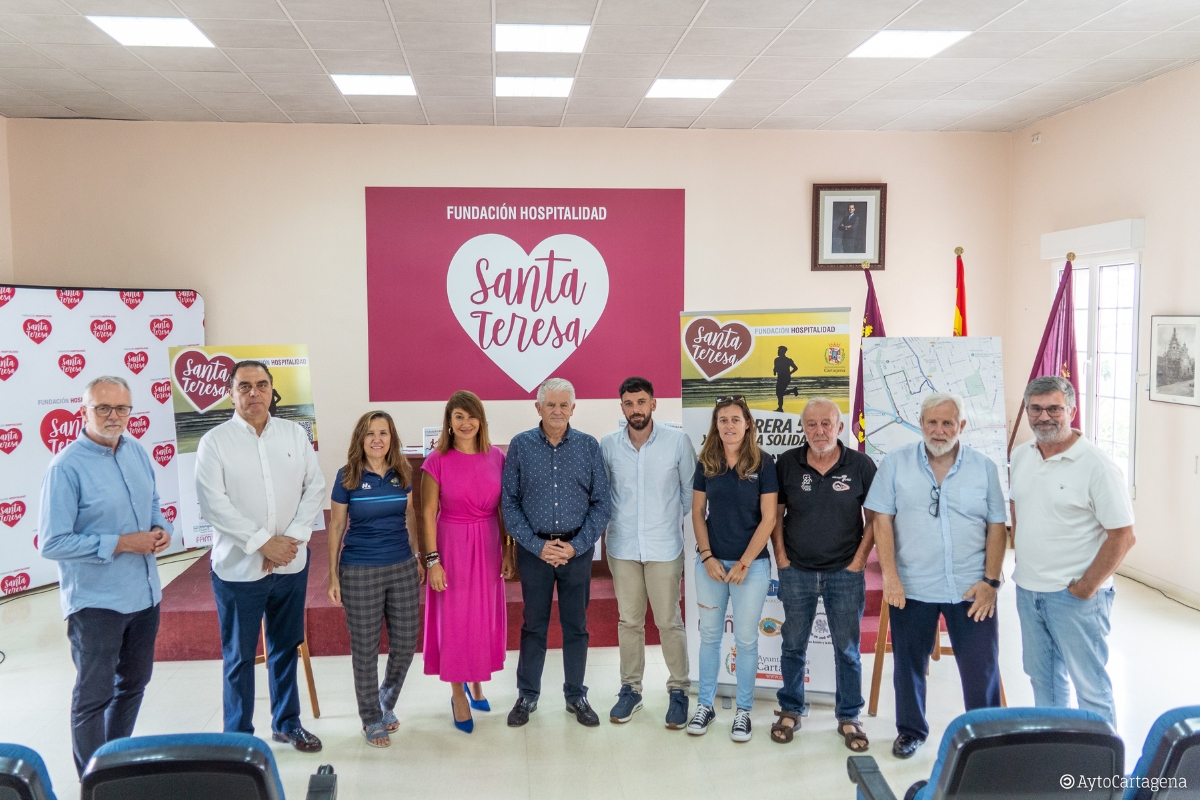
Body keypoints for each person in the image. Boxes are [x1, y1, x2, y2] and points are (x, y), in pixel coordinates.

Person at [39, 376, 173, 774]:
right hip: (96, 603)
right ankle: (93, 781)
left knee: (133, 685)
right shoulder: (65, 468)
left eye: (122, 409)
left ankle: (115, 766)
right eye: (103, 408)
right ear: (84, 411)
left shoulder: (135, 451)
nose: (114, 416)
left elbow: (151, 500)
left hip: (145, 596)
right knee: (93, 697)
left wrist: (159, 526)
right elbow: (52, 543)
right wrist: (121, 543)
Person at [865, 393, 1007, 759]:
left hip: (971, 587)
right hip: (912, 584)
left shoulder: (984, 467)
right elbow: (881, 521)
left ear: (962, 426)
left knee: (981, 666)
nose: (939, 430)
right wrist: (891, 578)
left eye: (948, 423)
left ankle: (985, 735)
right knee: (908, 665)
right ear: (921, 423)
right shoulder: (895, 464)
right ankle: (910, 731)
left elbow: (997, 526)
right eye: (932, 422)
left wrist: (991, 582)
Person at [196, 360, 327, 752]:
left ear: (272, 390)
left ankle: (287, 723)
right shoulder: (215, 442)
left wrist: (291, 540)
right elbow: (213, 504)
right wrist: (262, 543)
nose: (254, 392)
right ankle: (238, 739)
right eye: (245, 386)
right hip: (238, 570)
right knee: (239, 657)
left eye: (262, 385)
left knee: (286, 647)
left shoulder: (294, 435)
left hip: (291, 563)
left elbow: (314, 488)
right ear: (229, 392)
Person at [1010, 376, 1135, 727]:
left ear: (1072, 411)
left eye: (1054, 408)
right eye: (1035, 408)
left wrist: (1085, 588)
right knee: (1043, 681)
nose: (1044, 416)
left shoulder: (1097, 466)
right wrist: (1023, 558)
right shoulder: (1021, 455)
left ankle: (1102, 773)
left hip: (1075, 598)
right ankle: (1056, 756)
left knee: (1090, 688)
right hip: (1029, 590)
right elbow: (1018, 507)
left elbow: (1123, 536)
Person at [502, 377, 611, 728]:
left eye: (564, 405)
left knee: (576, 626)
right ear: (538, 407)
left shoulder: (588, 446)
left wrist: (576, 546)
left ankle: (576, 695)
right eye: (551, 404)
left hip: (576, 552)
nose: (558, 411)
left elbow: (601, 504)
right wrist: (537, 546)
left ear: (573, 409)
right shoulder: (520, 446)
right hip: (534, 553)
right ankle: (527, 695)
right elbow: (509, 503)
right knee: (533, 625)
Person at [769, 398, 877, 751]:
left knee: (847, 649)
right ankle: (790, 709)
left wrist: (860, 560)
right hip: (796, 570)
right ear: (803, 428)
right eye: (811, 424)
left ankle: (848, 716)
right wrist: (781, 559)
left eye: (826, 424)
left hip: (845, 571)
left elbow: (876, 520)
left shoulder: (861, 465)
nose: (819, 431)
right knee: (793, 644)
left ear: (840, 427)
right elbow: (776, 516)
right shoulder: (786, 464)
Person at [600, 377, 696, 728]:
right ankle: (631, 690)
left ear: (654, 403)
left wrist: (665, 521)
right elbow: (603, 495)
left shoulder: (677, 442)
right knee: (629, 621)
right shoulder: (608, 446)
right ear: (621, 406)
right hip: (623, 548)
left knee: (669, 620)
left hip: (664, 547)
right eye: (629, 403)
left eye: (641, 402)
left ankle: (679, 690)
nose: (635, 409)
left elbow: (689, 493)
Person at [327, 411, 423, 748]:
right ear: (360, 439)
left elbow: (409, 513)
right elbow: (337, 526)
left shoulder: (402, 474)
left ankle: (385, 700)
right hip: (360, 570)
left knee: (406, 641)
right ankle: (370, 718)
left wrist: (415, 554)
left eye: (383, 433)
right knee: (365, 649)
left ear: (391, 438)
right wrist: (333, 574)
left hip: (401, 567)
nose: (377, 439)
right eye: (370, 433)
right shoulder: (347, 476)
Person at [422, 391, 514, 734]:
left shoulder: (497, 457)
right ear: (449, 421)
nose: (465, 423)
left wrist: (508, 549)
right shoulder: (437, 460)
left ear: (481, 420)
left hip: (488, 542)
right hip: (451, 544)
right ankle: (457, 692)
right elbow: (428, 512)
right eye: (458, 416)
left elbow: (506, 508)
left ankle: (476, 681)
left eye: (471, 416)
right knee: (455, 620)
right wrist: (433, 561)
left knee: (481, 617)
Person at [688, 396, 778, 742]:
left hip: (751, 567)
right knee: (710, 637)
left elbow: (769, 518)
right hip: (710, 563)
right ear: (716, 426)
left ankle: (743, 712)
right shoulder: (706, 462)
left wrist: (743, 562)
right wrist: (708, 556)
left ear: (747, 424)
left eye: (735, 420)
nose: (729, 425)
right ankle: (705, 705)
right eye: (722, 420)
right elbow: (698, 512)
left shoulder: (764, 463)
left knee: (746, 639)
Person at [773, 346, 799, 412]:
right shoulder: (777, 360)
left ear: (783, 352)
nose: (778, 352)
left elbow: (795, 368)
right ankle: (792, 390)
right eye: (778, 351)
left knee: (779, 393)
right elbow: (775, 368)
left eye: (779, 351)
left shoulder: (788, 360)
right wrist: (775, 371)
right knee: (779, 393)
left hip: (785, 378)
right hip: (781, 377)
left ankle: (780, 408)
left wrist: (790, 373)